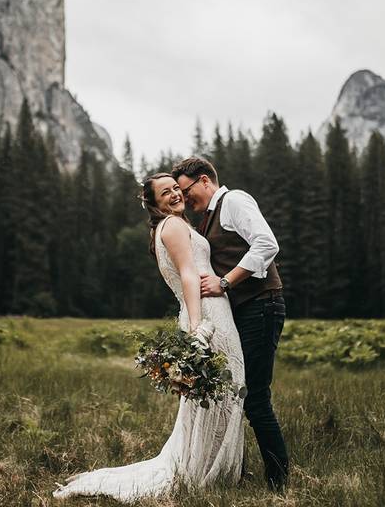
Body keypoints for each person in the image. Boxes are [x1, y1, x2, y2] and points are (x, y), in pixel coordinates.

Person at [53, 173, 245, 502]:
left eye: (175, 189)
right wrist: (198, 327)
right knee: (221, 392)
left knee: (216, 395)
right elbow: (187, 273)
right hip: (207, 314)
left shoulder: (172, 226)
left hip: (208, 310)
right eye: (164, 193)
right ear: (153, 204)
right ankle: (206, 472)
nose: (174, 195)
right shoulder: (171, 226)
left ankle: (214, 468)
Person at [172, 157, 289, 491]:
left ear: (205, 180)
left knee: (255, 397)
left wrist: (225, 283)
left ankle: (279, 482)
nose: (185, 199)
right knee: (242, 395)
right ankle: (250, 472)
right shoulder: (208, 217)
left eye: (186, 190)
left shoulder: (234, 201)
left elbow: (267, 244)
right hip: (247, 309)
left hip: (262, 305)